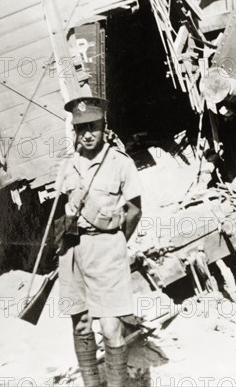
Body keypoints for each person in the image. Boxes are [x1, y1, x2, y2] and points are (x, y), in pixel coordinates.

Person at [58, 96, 142, 387]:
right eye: (81, 129)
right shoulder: (68, 166)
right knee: (81, 324)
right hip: (73, 252)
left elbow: (134, 211)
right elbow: (62, 206)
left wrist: (116, 241)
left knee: (110, 328)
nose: (87, 134)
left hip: (107, 251)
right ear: (75, 132)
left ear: (104, 127)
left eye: (93, 126)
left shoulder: (120, 163)